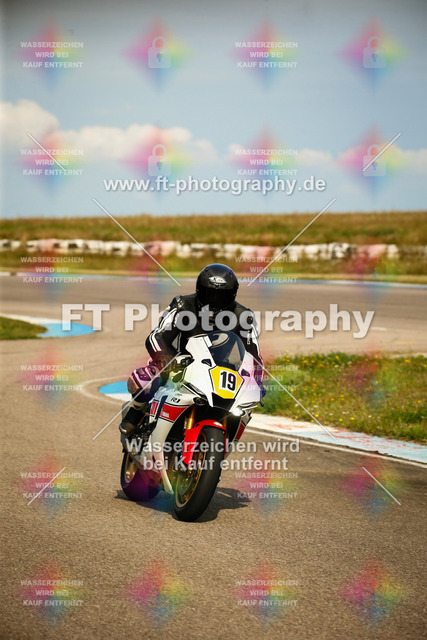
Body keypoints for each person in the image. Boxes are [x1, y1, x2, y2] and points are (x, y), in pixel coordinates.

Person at [120, 263, 265, 436]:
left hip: (218, 371)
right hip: (176, 363)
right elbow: (157, 336)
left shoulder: (244, 316)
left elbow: (254, 355)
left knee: (244, 407)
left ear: (232, 295)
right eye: (209, 294)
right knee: (146, 379)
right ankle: (134, 413)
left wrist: (257, 381)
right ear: (199, 290)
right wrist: (163, 358)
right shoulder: (182, 305)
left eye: (222, 296)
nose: (214, 301)